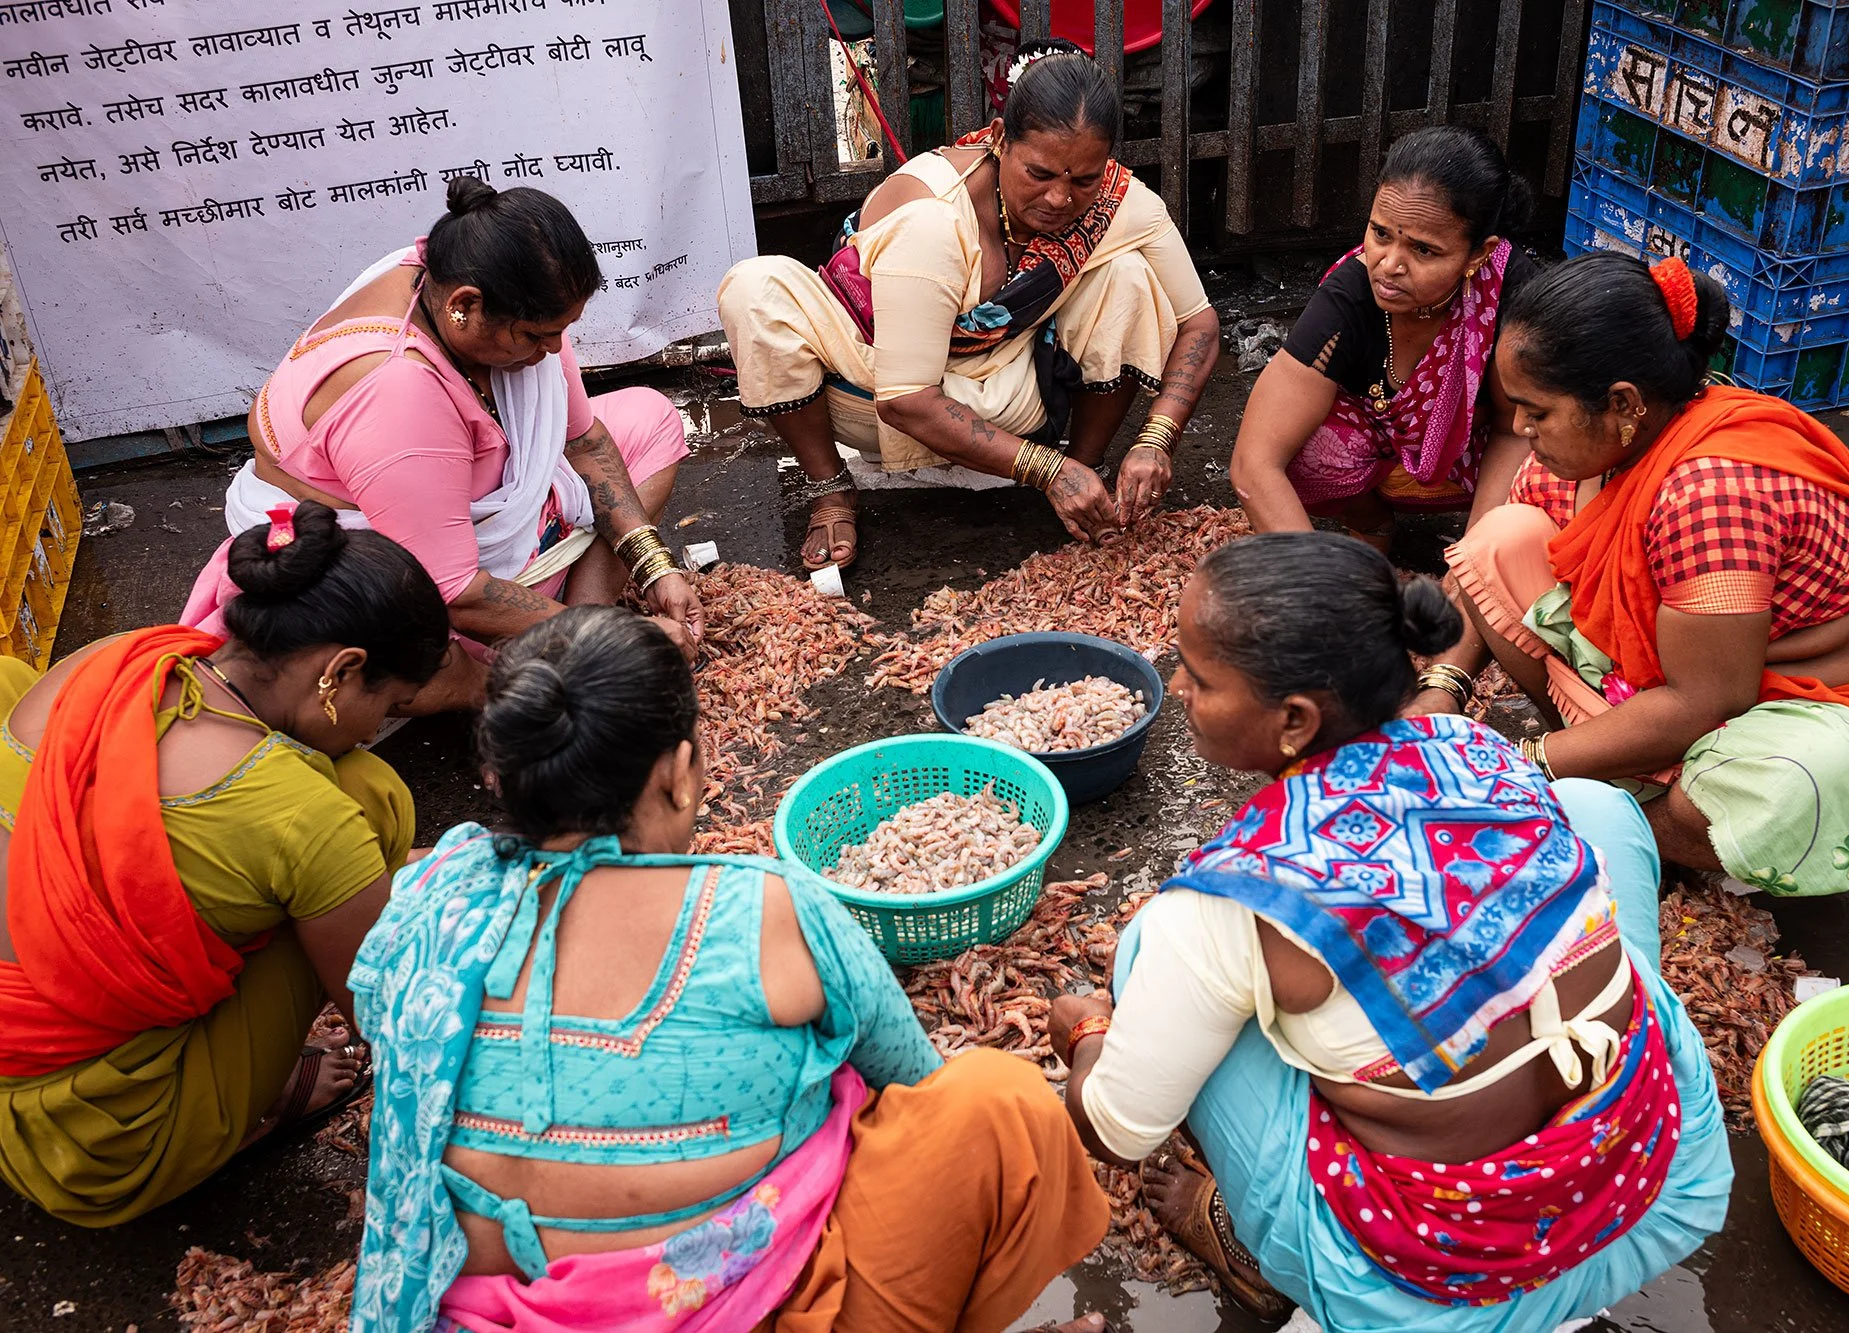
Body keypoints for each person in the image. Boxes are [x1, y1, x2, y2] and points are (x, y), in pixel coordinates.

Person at [348, 605, 1108, 1333]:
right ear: (679, 772)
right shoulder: (763, 909)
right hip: (744, 1308)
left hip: (481, 1305)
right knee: (991, 1104)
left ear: (502, 777)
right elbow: (912, 1080)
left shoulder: (429, 905)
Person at [1050, 533, 1731, 1329]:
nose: (1177, 687)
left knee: (1151, 957)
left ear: (1295, 720)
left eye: (1199, 678)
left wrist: (1091, 1030)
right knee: (1597, 810)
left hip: (1441, 1290)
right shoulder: (1476, 747)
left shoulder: (1230, 901)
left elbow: (1118, 1132)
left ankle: (1269, 1253)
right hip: (1656, 1181)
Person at [1440, 253, 1849, 896]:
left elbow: (1708, 700)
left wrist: (1521, 767)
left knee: (1805, 783)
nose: (1519, 428)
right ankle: (1612, 770)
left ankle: (1629, 821)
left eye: (1535, 411)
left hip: (1788, 695)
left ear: (1622, 403)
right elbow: (1484, 570)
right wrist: (1446, 682)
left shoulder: (1711, 493)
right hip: (1688, 665)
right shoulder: (1606, 444)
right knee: (1501, 539)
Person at [0, 502, 449, 1225]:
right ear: (340, 672)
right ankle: (251, 1103)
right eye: (390, 705)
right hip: (98, 1148)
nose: (381, 727)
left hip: (21, 1058)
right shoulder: (301, 814)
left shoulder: (121, 657)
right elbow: (387, 1022)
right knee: (372, 798)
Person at [181, 179, 702, 713]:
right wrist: (620, 640)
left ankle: (574, 637)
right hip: (400, 577)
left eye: (561, 330)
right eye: (534, 335)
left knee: (648, 417)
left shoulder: (451, 277)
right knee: (402, 665)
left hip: (473, 523)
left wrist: (653, 565)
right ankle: (530, 673)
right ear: (465, 306)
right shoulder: (397, 391)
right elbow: (453, 590)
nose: (553, 351)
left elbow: (585, 443)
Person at [716, 40, 1220, 569]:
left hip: (1006, 394)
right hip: (872, 391)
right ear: (1001, 140)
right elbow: (905, 399)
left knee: (1129, 274)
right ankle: (830, 488)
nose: (1059, 200)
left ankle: (1085, 471)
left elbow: (1200, 323)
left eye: (1084, 179)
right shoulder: (933, 209)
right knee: (756, 286)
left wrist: (1156, 438)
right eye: (1040, 174)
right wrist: (1042, 468)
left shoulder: (1119, 201)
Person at [1230, 127, 1537, 556]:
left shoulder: (1511, 297)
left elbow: (1515, 433)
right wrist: (1316, 588)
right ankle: (1373, 524)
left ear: (1477, 254)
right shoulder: (1348, 296)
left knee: (1556, 469)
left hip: (1476, 458)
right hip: (1378, 444)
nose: (1389, 265)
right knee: (1307, 453)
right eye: (1380, 234)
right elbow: (1254, 463)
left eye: (1424, 251)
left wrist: (1475, 565)